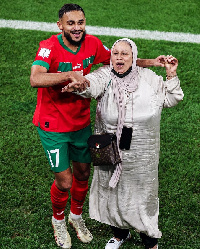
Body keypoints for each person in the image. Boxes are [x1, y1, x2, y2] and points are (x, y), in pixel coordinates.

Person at [30, 3, 167, 248]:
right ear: (60, 25)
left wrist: (152, 63)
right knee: (65, 182)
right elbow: (36, 77)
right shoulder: (48, 47)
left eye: (80, 22)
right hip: (52, 127)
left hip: (81, 124)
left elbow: (120, 62)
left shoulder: (92, 44)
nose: (76, 28)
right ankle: (58, 220)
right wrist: (70, 75)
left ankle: (76, 217)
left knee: (83, 174)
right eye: (70, 23)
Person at [62, 38, 184, 249]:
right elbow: (91, 85)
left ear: (133, 57)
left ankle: (150, 240)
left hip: (142, 153)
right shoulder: (105, 76)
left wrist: (171, 74)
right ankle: (120, 234)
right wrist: (81, 84)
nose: (119, 57)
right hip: (111, 149)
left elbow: (172, 98)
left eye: (124, 54)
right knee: (112, 192)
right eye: (115, 53)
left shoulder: (148, 78)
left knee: (143, 195)